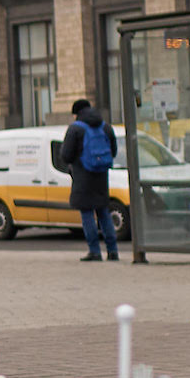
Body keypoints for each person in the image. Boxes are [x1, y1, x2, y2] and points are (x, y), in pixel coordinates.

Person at [59, 97, 120, 263]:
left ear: (76, 113)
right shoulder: (105, 126)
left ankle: (94, 251)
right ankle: (113, 251)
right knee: (103, 212)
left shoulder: (75, 129)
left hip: (82, 177)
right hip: (101, 177)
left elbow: (66, 155)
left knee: (87, 214)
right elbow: (113, 151)